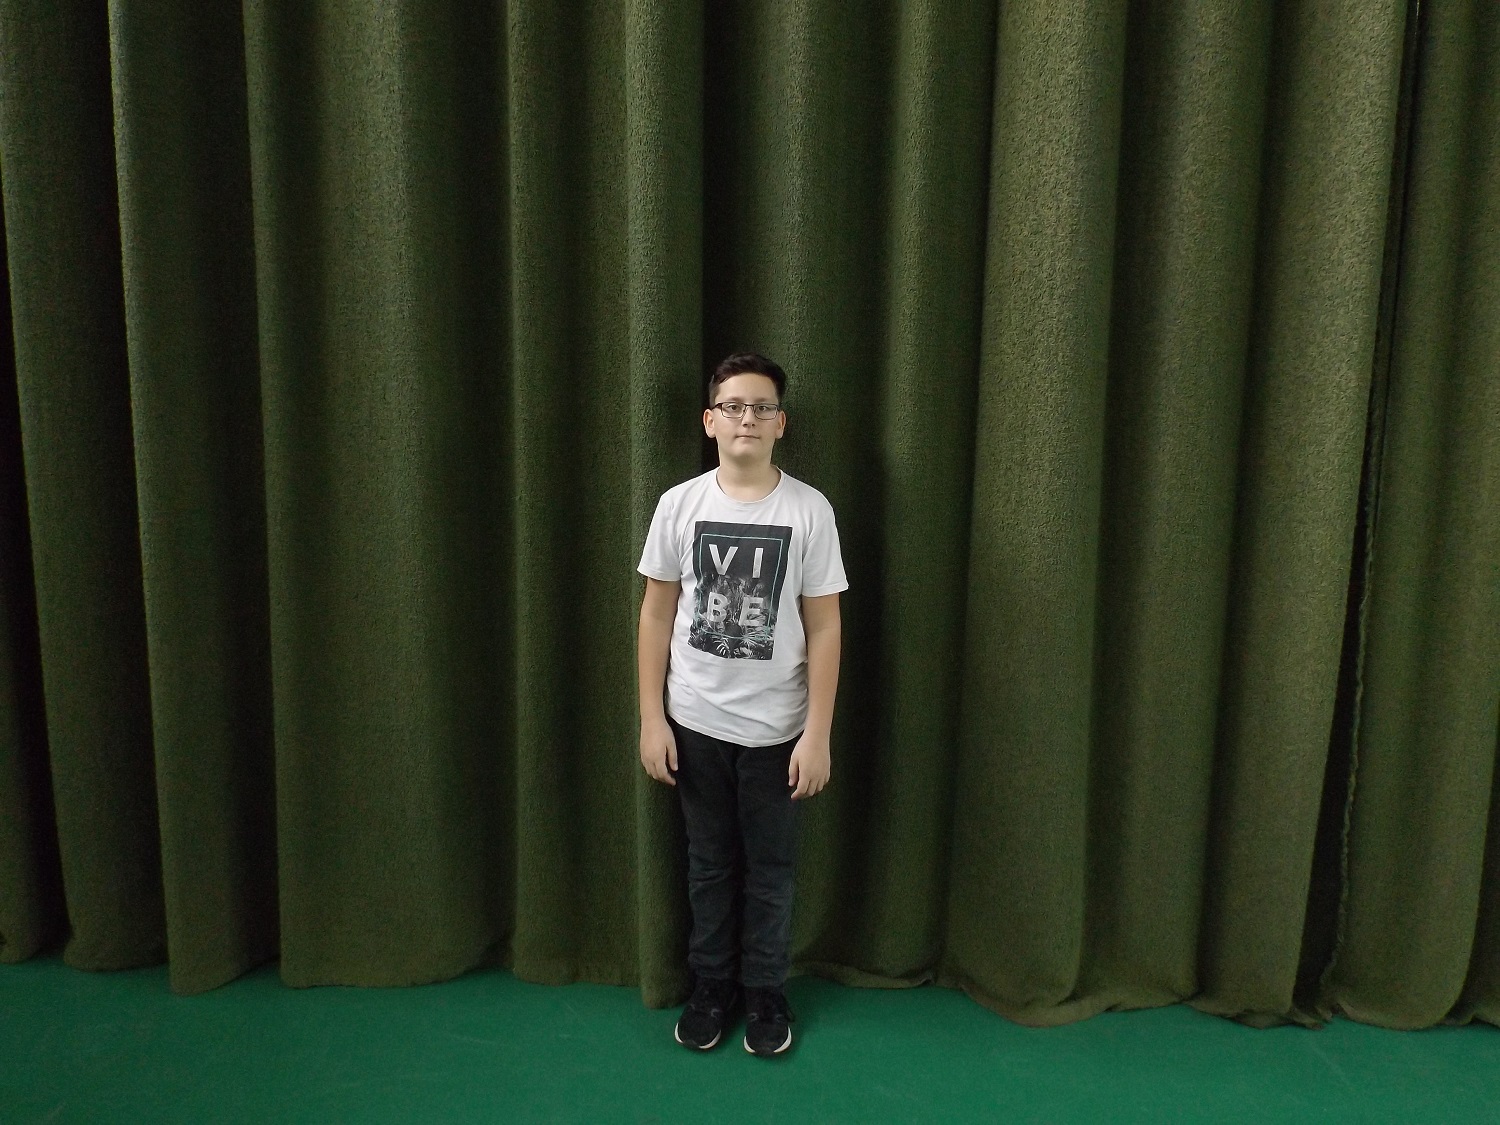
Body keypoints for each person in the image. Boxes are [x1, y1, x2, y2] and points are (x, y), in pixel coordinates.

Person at [636, 352, 847, 1057]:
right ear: (710, 421)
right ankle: (710, 985)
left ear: (780, 424)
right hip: (695, 725)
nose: (747, 418)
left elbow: (825, 626)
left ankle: (764, 989)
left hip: (778, 734)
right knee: (708, 866)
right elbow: (655, 614)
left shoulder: (810, 510)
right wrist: (652, 717)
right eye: (733, 406)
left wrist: (817, 733)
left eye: (761, 407)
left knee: (771, 873)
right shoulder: (679, 505)